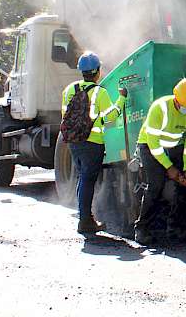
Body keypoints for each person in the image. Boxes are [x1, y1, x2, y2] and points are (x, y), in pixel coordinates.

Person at [61, 51, 128, 234]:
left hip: (73, 141)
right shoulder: (100, 92)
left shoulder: (69, 90)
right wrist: (122, 98)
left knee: (82, 178)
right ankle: (85, 221)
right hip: (93, 143)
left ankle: (85, 217)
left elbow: (65, 115)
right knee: (88, 180)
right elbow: (111, 117)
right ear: (98, 71)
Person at [133, 78, 186, 244]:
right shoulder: (159, 108)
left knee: (185, 184)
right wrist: (169, 168)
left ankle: (174, 227)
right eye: (185, 106)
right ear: (176, 100)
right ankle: (142, 229)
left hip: (174, 145)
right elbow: (154, 145)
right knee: (156, 185)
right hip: (150, 146)